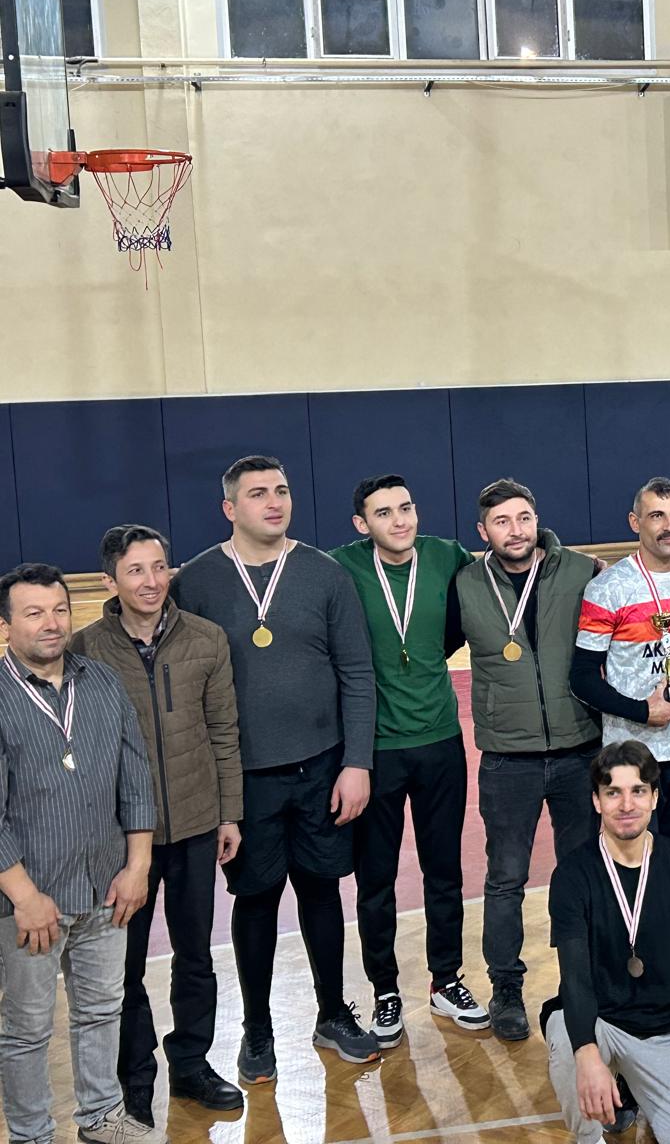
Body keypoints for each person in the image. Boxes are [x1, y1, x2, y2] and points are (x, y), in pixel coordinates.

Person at [173, 455, 380, 1078]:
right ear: (229, 508)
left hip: (322, 769)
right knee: (257, 899)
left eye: (282, 491)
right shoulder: (196, 582)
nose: (274, 502)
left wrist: (357, 762)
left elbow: (357, 673)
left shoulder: (324, 573)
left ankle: (332, 1014)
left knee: (322, 891)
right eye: (258, 493)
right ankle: (257, 1029)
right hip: (245, 778)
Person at [71, 526, 244, 1124]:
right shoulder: (85, 651)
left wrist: (228, 811)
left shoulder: (207, 638)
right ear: (109, 581)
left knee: (196, 956)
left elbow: (223, 731)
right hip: (123, 843)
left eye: (160, 567)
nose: (152, 582)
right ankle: (135, 1079)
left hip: (196, 825)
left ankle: (192, 1064)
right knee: (125, 966)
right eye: (136, 570)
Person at [0, 564, 162, 1143]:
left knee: (102, 1010)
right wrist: (25, 897)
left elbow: (136, 778)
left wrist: (137, 866)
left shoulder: (102, 681)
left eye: (60, 610)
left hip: (106, 888)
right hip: (30, 902)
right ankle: (31, 1135)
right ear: (6, 625)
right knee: (27, 1029)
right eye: (34, 613)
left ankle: (101, 1116)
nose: (51, 623)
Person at [330, 475, 488, 1047]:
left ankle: (446, 980)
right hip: (374, 751)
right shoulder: (342, 565)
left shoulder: (446, 555)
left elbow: (510, 558)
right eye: (383, 512)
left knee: (444, 871)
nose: (399, 520)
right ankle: (385, 992)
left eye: (406, 508)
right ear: (361, 524)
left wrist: (577, 559)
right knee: (375, 880)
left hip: (441, 741)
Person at [570, 476, 670, 1026]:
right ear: (635, 523)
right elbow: (582, 678)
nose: (669, 526)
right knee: (632, 876)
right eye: (657, 516)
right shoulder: (609, 588)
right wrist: (642, 712)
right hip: (633, 763)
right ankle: (632, 985)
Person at [456, 477, 603, 1041]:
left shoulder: (582, 571)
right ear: (483, 531)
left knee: (581, 873)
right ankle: (506, 988)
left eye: (522, 518)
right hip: (507, 758)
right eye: (501, 522)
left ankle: (580, 982)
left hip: (578, 750)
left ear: (536, 519)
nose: (514, 531)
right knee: (505, 880)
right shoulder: (466, 585)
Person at [542, 741, 670, 1144]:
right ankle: (589, 1136)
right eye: (613, 793)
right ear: (596, 800)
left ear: (654, 797)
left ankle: (640, 1098)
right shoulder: (572, 874)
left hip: (662, 1027)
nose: (626, 805)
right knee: (568, 1041)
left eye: (638, 791)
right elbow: (574, 975)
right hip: (599, 1020)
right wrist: (587, 1051)